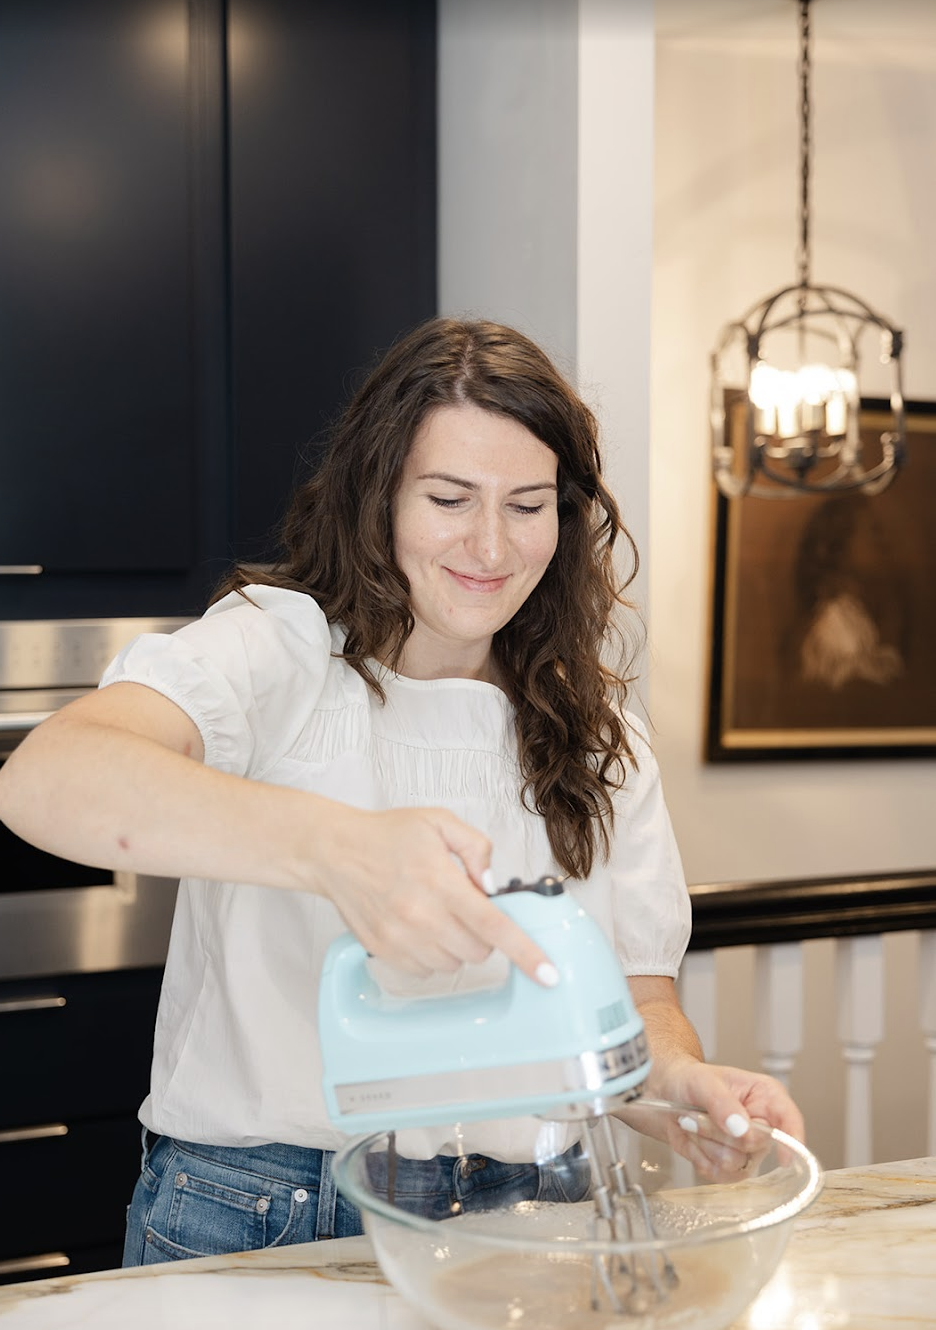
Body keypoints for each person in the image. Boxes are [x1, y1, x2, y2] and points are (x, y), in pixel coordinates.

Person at [0, 317, 803, 1265]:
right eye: (450, 497)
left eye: (529, 504)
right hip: (270, 1207)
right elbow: (48, 778)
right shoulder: (279, 647)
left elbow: (635, 991)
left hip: (534, 1210)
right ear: (379, 495)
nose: (490, 544)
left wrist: (674, 1084)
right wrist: (339, 849)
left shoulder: (599, 732)